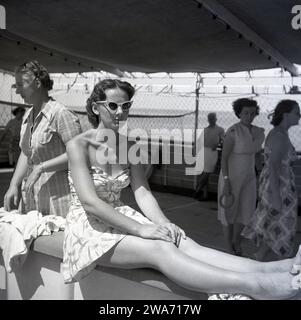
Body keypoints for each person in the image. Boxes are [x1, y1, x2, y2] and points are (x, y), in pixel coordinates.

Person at [62, 79, 301, 300]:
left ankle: (274, 267)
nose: (119, 112)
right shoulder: (78, 145)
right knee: (159, 249)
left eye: (125, 106)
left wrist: (164, 223)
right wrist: (141, 229)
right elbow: (90, 202)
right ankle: (255, 286)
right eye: (112, 105)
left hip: (120, 214)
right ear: (96, 108)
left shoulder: (130, 145)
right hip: (88, 226)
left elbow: (142, 192)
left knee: (182, 241)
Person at [3, 61, 82, 216]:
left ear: (37, 83)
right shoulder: (27, 115)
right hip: (32, 197)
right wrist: (14, 184)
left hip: (59, 199)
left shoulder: (61, 114)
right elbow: (27, 153)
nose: (18, 91)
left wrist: (41, 167)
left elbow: (79, 155)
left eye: (20, 85)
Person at [243, 100, 300, 261]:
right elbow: (273, 168)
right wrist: (276, 197)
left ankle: (258, 257)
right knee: (282, 227)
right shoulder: (279, 136)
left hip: (277, 187)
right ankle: (262, 260)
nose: (299, 116)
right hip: (278, 189)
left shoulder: (279, 133)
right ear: (286, 114)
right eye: (297, 112)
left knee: (273, 225)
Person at [217, 98, 264, 256]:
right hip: (231, 178)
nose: (249, 116)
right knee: (228, 213)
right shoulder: (233, 132)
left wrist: (261, 174)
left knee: (246, 211)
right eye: (245, 113)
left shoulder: (258, 132)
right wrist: (226, 181)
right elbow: (224, 158)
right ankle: (228, 247)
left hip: (249, 178)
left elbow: (257, 155)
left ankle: (236, 240)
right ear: (238, 113)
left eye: (252, 113)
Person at [194, 112, 224, 200]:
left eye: (213, 118)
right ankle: (205, 195)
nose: (211, 120)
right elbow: (199, 141)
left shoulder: (220, 129)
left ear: (216, 119)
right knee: (205, 173)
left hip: (212, 152)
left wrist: (218, 144)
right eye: (210, 118)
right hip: (203, 152)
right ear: (208, 120)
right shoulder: (205, 130)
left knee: (207, 173)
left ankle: (197, 189)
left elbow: (224, 140)